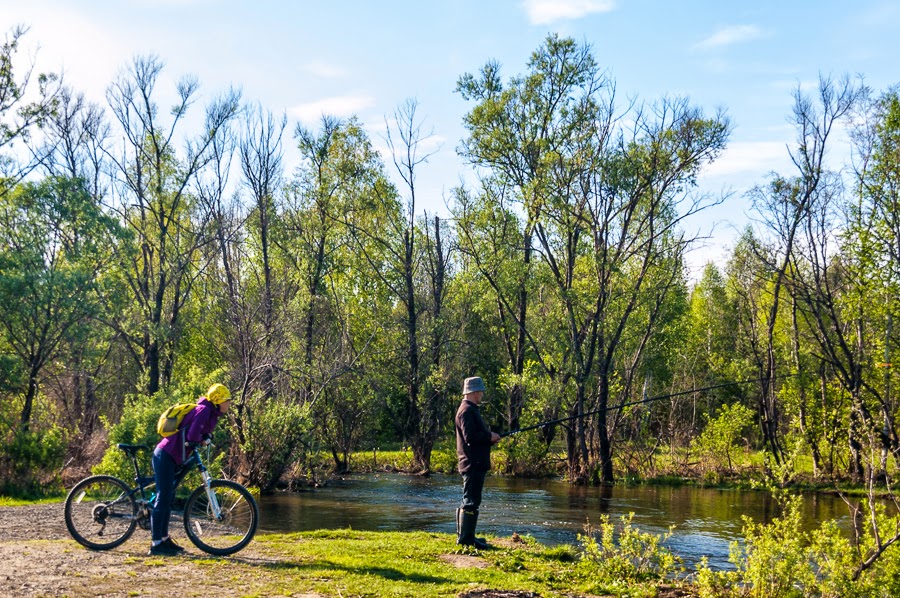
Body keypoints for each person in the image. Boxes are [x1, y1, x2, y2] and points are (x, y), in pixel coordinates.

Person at [149, 383, 232, 556]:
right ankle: (156, 544)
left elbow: (200, 432)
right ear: (217, 401)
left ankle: (164, 539)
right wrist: (201, 440)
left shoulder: (210, 413)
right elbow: (192, 436)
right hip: (166, 454)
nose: (228, 404)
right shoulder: (204, 410)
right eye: (226, 400)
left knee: (168, 496)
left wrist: (206, 436)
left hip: (172, 455)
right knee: (163, 496)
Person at [454, 376, 500, 549]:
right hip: (473, 463)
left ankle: (466, 536)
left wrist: (489, 437)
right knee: (471, 500)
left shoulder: (469, 409)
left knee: (470, 499)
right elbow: (470, 437)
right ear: (473, 392)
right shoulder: (466, 410)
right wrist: (490, 436)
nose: (482, 394)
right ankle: (466, 539)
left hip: (474, 462)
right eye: (480, 391)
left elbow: (473, 435)